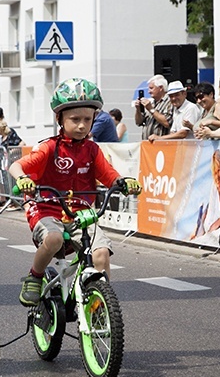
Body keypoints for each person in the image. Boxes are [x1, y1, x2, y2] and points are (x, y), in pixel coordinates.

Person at [8, 78, 142, 306]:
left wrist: (124, 182)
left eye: (87, 119)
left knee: (101, 253)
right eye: (75, 119)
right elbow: (16, 165)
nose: (81, 125)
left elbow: (108, 174)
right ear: (59, 119)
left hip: (81, 213)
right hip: (46, 210)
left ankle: (100, 307)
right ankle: (35, 276)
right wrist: (22, 179)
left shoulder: (92, 149)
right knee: (54, 238)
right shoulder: (49, 147)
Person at [134, 74, 172, 139]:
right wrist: (138, 109)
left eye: (151, 88)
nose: (149, 92)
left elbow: (167, 122)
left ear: (160, 88)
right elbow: (139, 122)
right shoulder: (152, 103)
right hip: (147, 144)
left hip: (162, 144)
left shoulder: (169, 102)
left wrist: (151, 109)